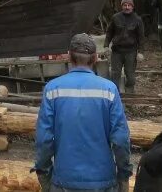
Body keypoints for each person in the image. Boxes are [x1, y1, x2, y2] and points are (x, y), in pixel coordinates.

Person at [34, 33, 133, 192]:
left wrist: (43, 171)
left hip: (64, 181)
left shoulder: (53, 89)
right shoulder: (109, 90)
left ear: (68, 57)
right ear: (95, 58)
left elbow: (44, 139)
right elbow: (121, 139)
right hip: (103, 181)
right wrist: (123, 174)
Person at [105, 0, 144, 93]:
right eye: (125, 5)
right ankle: (115, 94)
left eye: (129, 5)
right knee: (115, 74)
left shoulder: (137, 20)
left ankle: (130, 94)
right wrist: (106, 45)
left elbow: (141, 37)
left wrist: (141, 52)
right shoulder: (115, 18)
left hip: (131, 52)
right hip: (117, 51)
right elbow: (109, 32)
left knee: (130, 76)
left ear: (132, 6)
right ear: (122, 6)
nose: (127, 7)